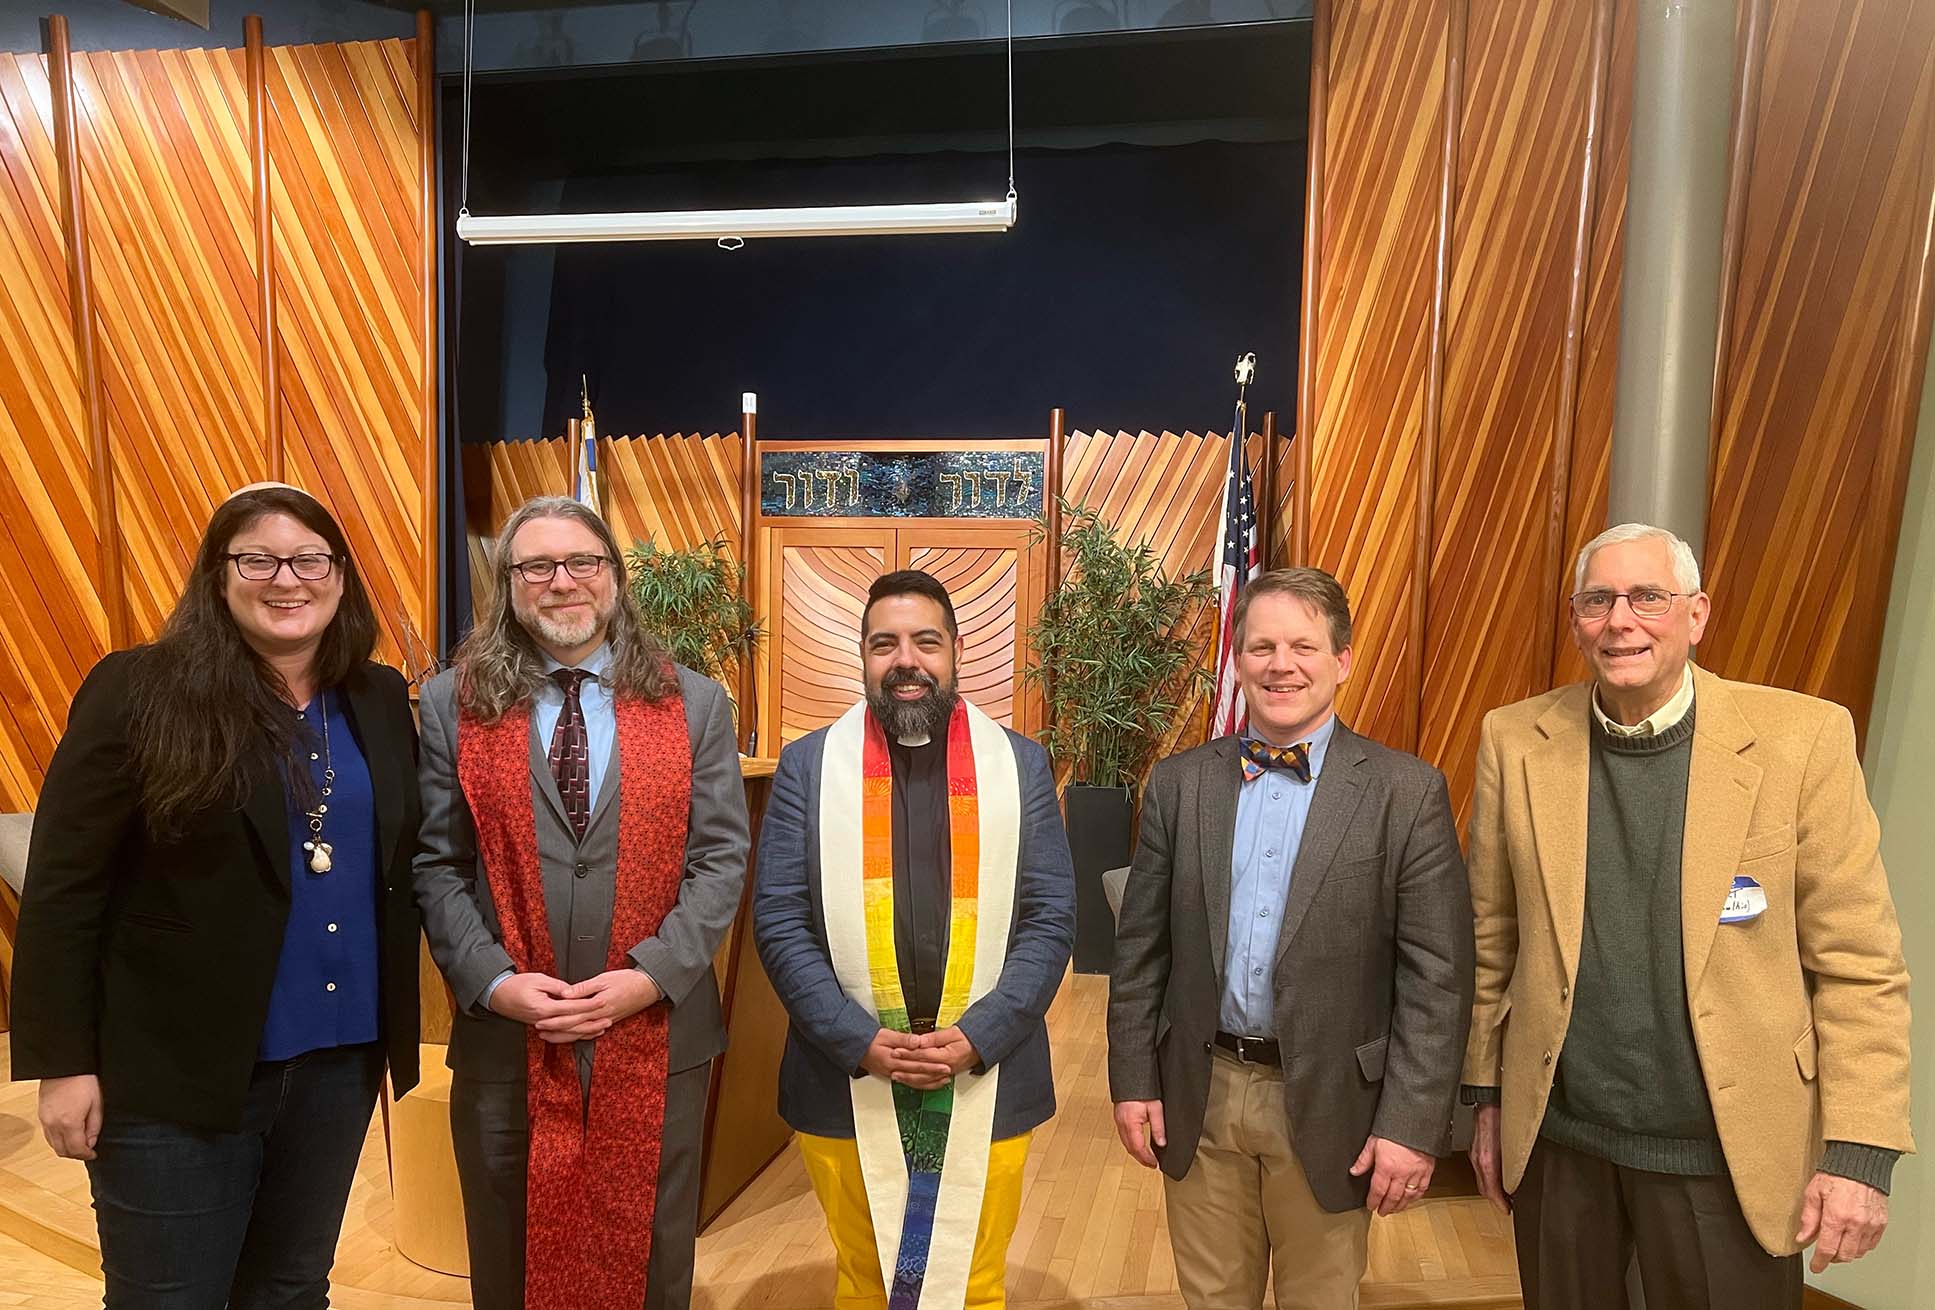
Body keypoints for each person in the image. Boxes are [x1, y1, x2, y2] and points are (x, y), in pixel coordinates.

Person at [1461, 521, 1913, 1308]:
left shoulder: (1802, 740)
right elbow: (1492, 941)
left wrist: (1860, 1150)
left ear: (1695, 614)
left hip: (1724, 1154)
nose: (1619, 621)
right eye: (1596, 600)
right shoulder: (1513, 738)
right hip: (1561, 1143)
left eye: (1648, 597)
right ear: (1574, 620)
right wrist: (1484, 1098)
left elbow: (1859, 964)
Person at [10, 483, 422, 1307]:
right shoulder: (139, 688)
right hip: (173, 1069)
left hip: (339, 1060)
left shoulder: (376, 697)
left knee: (292, 1289)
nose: (286, 580)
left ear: (340, 577)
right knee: (169, 1298)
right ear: (217, 575)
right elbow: (63, 887)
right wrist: (64, 1064)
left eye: (309, 560)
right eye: (258, 559)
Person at [413, 495, 748, 1310]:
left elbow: (719, 860)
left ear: (613, 577)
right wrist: (494, 982)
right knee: (510, 1251)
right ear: (508, 583)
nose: (562, 581)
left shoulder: (693, 703)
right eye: (536, 566)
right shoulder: (454, 705)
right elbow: (437, 864)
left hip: (655, 1027)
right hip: (508, 1034)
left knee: (649, 1256)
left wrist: (650, 975)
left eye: (582, 562)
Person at [1108, 566, 1473, 1310]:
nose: (1281, 665)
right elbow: (1141, 953)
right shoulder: (1179, 785)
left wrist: (1410, 1125)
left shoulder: (1405, 793)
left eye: (1303, 647)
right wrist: (1133, 1079)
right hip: (1200, 1091)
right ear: (1238, 661)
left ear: (1341, 660)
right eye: (1262, 647)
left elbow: (1437, 981)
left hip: (1335, 1103)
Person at [754, 569, 1075, 1310]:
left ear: (956, 650)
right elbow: (778, 917)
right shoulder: (809, 766)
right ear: (863, 656)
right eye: (885, 644)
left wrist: (981, 1034)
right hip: (845, 1073)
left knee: (973, 1283)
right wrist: (855, 1037)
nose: (906, 660)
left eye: (925, 642)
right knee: (867, 1282)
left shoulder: (1019, 764)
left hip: (988, 1070)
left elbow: (1051, 915)